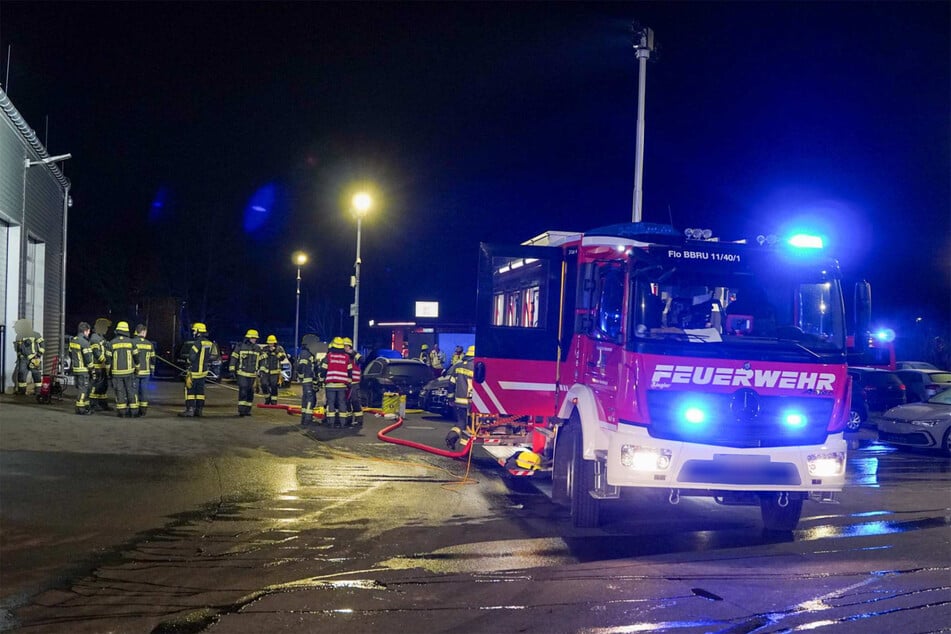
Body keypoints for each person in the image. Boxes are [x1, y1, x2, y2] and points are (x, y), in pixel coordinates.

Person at [105, 321, 140, 418]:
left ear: (117, 330)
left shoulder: (111, 343)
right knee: (131, 391)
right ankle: (134, 412)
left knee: (119, 392)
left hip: (116, 373)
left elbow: (108, 360)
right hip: (129, 372)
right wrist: (137, 368)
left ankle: (122, 412)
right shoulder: (131, 342)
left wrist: (108, 371)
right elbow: (136, 357)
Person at [179, 322, 214, 417]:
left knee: (190, 390)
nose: (193, 333)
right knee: (200, 392)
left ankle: (190, 410)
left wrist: (187, 361)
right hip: (203, 371)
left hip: (194, 371)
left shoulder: (197, 343)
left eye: (194, 331)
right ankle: (199, 410)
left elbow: (191, 357)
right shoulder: (209, 343)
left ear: (198, 331)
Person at [320, 337, 352, 428]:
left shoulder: (329, 356)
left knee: (331, 403)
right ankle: (343, 423)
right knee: (342, 403)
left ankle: (331, 423)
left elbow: (323, 369)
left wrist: (321, 379)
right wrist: (349, 382)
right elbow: (350, 371)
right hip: (342, 385)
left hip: (330, 384)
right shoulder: (346, 357)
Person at [230, 329, 261, 416]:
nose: (255, 339)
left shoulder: (257, 348)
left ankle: (247, 410)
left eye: (256, 338)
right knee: (243, 390)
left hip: (252, 374)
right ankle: (241, 410)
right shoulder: (240, 346)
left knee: (250, 392)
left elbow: (261, 360)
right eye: (253, 338)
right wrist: (232, 369)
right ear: (248, 338)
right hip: (242, 373)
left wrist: (261, 370)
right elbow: (234, 358)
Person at [12, 319, 44, 395]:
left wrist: (38, 355)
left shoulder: (36, 334)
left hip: (34, 358)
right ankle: (22, 391)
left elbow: (42, 346)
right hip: (23, 359)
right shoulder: (19, 336)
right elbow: (18, 348)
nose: (16, 329)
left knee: (36, 374)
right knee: (21, 374)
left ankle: (38, 392)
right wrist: (20, 355)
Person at [68, 322, 94, 415]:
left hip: (76, 369)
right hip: (83, 370)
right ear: (85, 331)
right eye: (88, 331)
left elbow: (70, 353)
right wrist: (92, 369)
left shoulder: (73, 340)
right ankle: (80, 408)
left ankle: (86, 406)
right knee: (83, 389)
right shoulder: (84, 342)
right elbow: (88, 358)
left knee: (82, 388)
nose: (89, 333)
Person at [132, 324, 156, 417]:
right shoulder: (149, 344)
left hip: (135, 371)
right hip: (146, 372)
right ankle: (143, 410)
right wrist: (152, 370)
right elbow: (153, 359)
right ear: (143, 332)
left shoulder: (132, 342)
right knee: (144, 391)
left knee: (134, 391)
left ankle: (134, 410)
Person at [88, 318, 111, 411]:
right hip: (97, 367)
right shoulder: (95, 338)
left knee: (103, 387)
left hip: (102, 367)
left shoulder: (101, 338)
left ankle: (103, 404)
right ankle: (93, 404)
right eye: (105, 327)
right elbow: (96, 352)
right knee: (96, 386)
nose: (107, 329)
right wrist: (105, 360)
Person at [297, 334, 319, 426]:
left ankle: (304, 418)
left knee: (306, 399)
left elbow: (314, 368)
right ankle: (307, 419)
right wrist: (302, 376)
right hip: (307, 379)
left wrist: (315, 382)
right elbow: (301, 367)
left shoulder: (308, 353)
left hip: (309, 380)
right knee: (310, 399)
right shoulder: (305, 354)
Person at [259, 335, 288, 406]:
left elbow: (282, 358)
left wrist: (275, 352)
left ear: (275, 342)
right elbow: (259, 358)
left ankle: (274, 401)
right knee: (263, 385)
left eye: (272, 343)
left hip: (275, 371)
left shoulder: (279, 348)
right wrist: (267, 353)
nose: (270, 344)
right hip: (265, 371)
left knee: (274, 386)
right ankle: (267, 398)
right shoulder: (264, 349)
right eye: (269, 343)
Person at [452, 345, 475, 426]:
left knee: (461, 423)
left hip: (459, 401)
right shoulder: (475, 367)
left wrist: (450, 398)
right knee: (471, 425)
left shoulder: (458, 366)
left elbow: (451, 383)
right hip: (471, 401)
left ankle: (455, 432)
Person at [343, 337, 363, 427]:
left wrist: (354, 353)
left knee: (355, 401)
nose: (344, 348)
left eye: (346, 346)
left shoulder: (354, 355)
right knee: (346, 402)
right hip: (346, 382)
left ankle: (359, 420)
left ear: (349, 346)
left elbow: (362, 360)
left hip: (354, 382)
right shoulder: (343, 356)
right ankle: (348, 420)